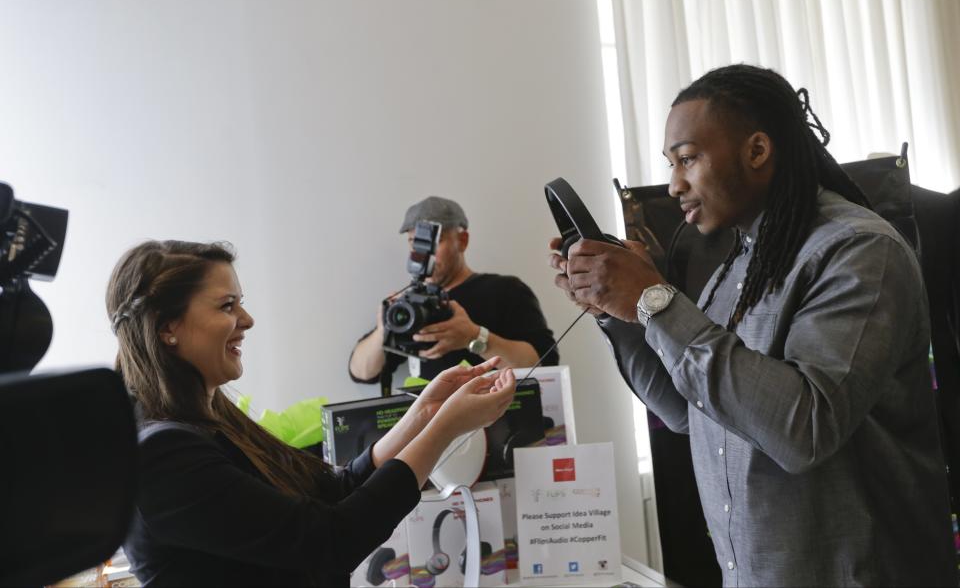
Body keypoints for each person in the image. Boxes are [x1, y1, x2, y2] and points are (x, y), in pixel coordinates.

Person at [549, 64, 957, 586]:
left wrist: (654, 299)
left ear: (757, 151)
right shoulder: (735, 265)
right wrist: (622, 315)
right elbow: (685, 411)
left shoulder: (859, 251)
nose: (674, 185)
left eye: (688, 159)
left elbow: (803, 429)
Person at [109, 240, 516, 586]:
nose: (246, 320)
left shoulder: (208, 419)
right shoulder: (164, 457)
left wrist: (424, 415)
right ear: (168, 328)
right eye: (227, 306)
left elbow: (328, 493)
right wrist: (445, 430)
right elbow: (330, 541)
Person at [349, 196, 557, 388]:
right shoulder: (411, 303)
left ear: (462, 241)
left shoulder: (506, 290)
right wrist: (384, 329)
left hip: (495, 420)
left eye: (433, 241)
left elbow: (544, 365)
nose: (422, 253)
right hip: (433, 425)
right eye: (414, 242)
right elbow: (362, 372)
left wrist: (475, 337)